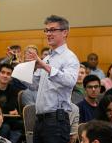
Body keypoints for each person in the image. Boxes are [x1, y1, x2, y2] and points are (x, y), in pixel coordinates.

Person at [27, 15, 79, 143]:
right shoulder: (47, 58)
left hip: (57, 121)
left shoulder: (69, 57)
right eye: (47, 30)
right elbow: (33, 85)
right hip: (39, 120)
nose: (48, 34)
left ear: (65, 32)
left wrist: (45, 66)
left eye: (52, 30)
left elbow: (70, 81)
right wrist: (19, 67)